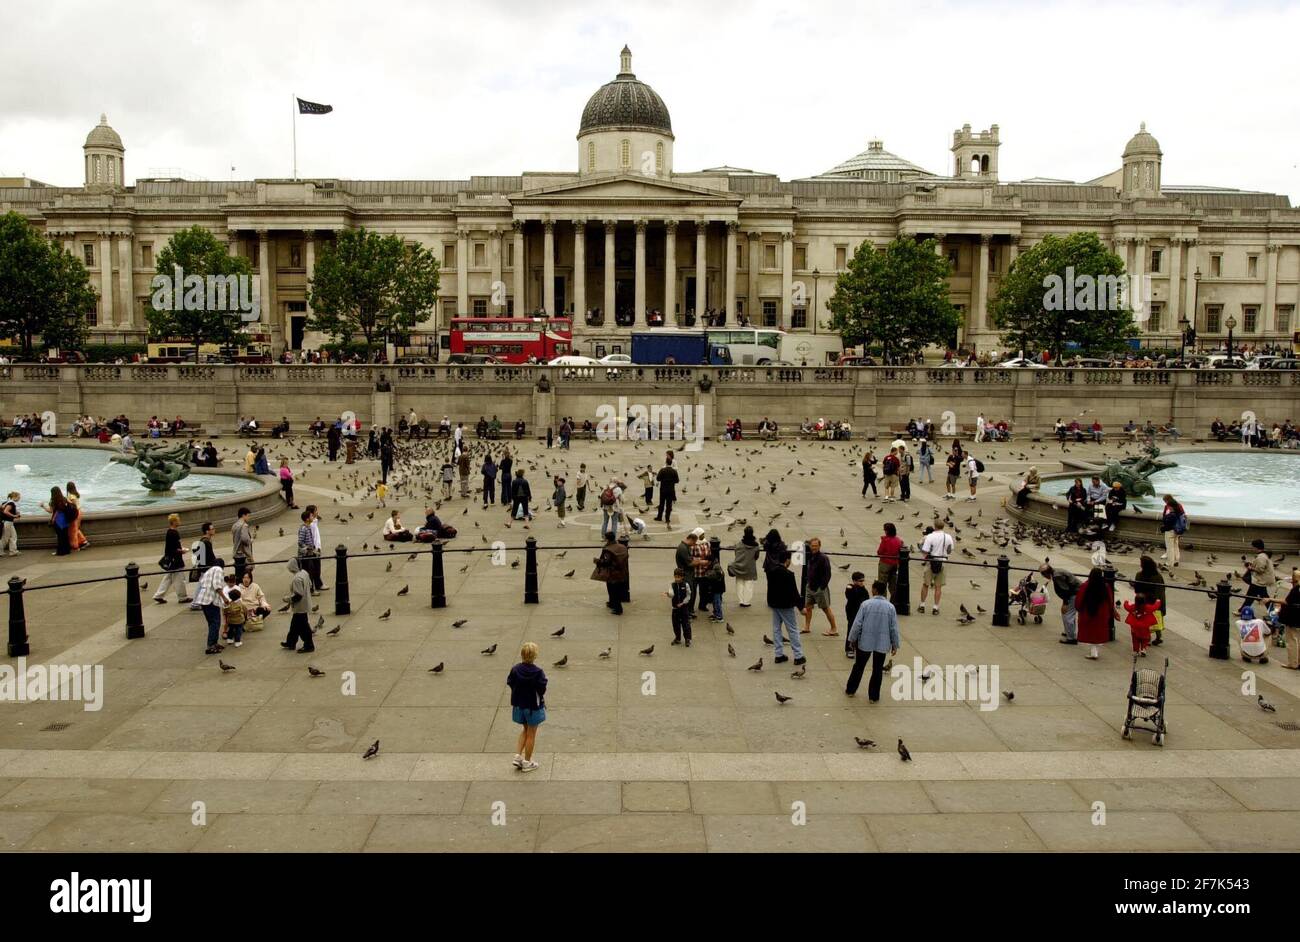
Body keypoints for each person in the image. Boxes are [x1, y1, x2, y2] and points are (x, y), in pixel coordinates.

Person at [845, 579, 900, 701]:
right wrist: (895, 644)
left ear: (874, 590)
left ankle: (851, 689)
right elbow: (894, 628)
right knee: (877, 669)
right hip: (882, 642)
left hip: (865, 641)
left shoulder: (866, 604)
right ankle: (874, 696)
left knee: (859, 666)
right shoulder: (890, 607)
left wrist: (852, 639)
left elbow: (857, 624)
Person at [507, 642, 547, 772]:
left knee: (525, 730)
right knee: (531, 734)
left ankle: (517, 756)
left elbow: (510, 682)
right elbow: (542, 689)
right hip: (532, 707)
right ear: (535, 656)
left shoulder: (515, 669)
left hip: (519, 705)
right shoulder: (538, 672)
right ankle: (527, 762)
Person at [766, 550, 806, 667]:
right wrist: (801, 607)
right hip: (786, 605)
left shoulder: (771, 572)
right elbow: (794, 592)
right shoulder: (789, 574)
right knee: (793, 629)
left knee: (776, 629)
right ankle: (798, 656)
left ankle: (779, 654)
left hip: (774, 604)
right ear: (787, 560)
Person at [1075, 567, 1113, 660]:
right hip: (1102, 612)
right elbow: (1110, 600)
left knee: (1090, 632)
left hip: (1088, 611)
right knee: (1098, 632)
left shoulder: (1086, 585)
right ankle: (1094, 651)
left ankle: (1093, 652)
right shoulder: (1106, 586)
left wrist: (1079, 608)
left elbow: (1079, 599)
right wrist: (1110, 610)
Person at [152, 513, 191, 603]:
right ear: (174, 522)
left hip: (171, 559)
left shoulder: (169, 532)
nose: (179, 521)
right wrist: (183, 551)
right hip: (176, 560)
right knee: (179, 579)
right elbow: (175, 548)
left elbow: (170, 547)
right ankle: (182, 597)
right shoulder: (174, 533)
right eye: (178, 520)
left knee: (168, 578)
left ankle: (158, 595)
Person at [917, 520, 953, 615]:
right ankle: (935, 607)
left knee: (926, 584)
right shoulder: (948, 537)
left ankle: (922, 605)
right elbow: (949, 551)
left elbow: (925, 550)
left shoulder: (930, 536)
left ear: (935, 526)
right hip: (942, 562)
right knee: (938, 587)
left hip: (931, 562)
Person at [194, 557, 228, 654]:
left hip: (203, 600)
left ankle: (214, 642)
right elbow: (217, 586)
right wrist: (225, 598)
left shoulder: (208, 571)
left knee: (211, 622)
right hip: (211, 600)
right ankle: (211, 645)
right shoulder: (218, 569)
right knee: (215, 622)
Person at [280, 557, 315, 653]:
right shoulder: (304, 573)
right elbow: (310, 586)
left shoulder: (297, 579)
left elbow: (298, 595)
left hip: (300, 607)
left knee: (303, 628)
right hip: (306, 604)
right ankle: (290, 642)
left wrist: (288, 599)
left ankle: (309, 645)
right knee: (294, 625)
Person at [591, 532, 628, 616]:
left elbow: (606, 562)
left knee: (613, 591)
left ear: (607, 539)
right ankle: (612, 603)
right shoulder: (622, 547)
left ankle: (618, 609)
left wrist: (597, 561)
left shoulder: (608, 549)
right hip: (622, 572)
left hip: (612, 574)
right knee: (616, 590)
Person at [1135, 555, 1167, 646]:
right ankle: (1158, 637)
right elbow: (1161, 590)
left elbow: (1137, 590)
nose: (1140, 565)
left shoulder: (1139, 575)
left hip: (1145, 601)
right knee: (1157, 619)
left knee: (1146, 620)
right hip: (1157, 601)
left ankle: (1147, 638)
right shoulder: (1158, 576)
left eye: (1141, 563)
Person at [1273, 569, 1300, 670]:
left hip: (1293, 617)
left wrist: (1271, 599)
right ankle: (1299, 662)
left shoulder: (1296, 589)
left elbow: (1286, 601)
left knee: (1292, 640)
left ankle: (1293, 663)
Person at [730, 526, 760, 608]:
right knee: (749, 585)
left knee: (739, 583)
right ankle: (747, 601)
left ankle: (741, 600)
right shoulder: (756, 546)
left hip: (739, 567)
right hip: (750, 568)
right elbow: (756, 557)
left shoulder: (739, 544)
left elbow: (736, 553)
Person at [843, 571, 869, 660]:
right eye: (860, 581)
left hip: (861, 613)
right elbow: (850, 596)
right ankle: (849, 648)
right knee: (851, 629)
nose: (862, 583)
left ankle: (858, 646)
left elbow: (867, 599)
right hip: (852, 612)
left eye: (863, 581)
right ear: (854, 581)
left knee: (860, 630)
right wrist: (855, 588)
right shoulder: (851, 588)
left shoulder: (864, 590)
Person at [1124, 592, 1158, 657]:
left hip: (1135, 627)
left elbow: (1126, 607)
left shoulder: (1133, 607)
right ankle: (1143, 649)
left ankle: (1136, 651)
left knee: (1135, 639)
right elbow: (1155, 607)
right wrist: (1158, 601)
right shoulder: (1147, 607)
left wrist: (1126, 602)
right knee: (1145, 639)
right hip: (1145, 627)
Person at [41, 487, 72, 556]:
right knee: (65, 536)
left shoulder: (53, 501)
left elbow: (50, 511)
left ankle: (60, 552)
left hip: (58, 521)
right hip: (65, 520)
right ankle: (67, 550)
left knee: (60, 537)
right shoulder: (64, 499)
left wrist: (43, 506)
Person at [877, 523, 903, 599]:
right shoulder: (898, 540)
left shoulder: (885, 540)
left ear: (887, 531)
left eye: (885, 530)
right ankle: (894, 600)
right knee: (893, 583)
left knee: (882, 584)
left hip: (885, 563)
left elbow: (880, 552)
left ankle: (883, 599)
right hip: (895, 564)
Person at [666, 567, 692, 645]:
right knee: (675, 624)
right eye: (676, 577)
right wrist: (669, 594)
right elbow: (672, 594)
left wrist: (683, 603)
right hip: (675, 608)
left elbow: (688, 595)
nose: (677, 579)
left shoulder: (686, 585)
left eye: (679, 577)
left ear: (682, 577)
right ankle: (677, 638)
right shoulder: (672, 585)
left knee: (686, 624)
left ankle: (687, 639)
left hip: (684, 608)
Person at [702, 538, 725, 622]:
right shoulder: (715, 564)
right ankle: (716, 614)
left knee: (717, 602)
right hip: (717, 588)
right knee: (715, 602)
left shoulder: (715, 567)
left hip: (717, 588)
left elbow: (716, 576)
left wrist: (707, 574)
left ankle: (719, 616)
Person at [1160, 494, 1186, 566]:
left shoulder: (1172, 514)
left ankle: (1170, 562)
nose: (1167, 505)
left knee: (1170, 547)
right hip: (1177, 530)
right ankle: (1176, 560)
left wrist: (1163, 526)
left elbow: (1167, 523)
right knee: (1175, 545)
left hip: (1170, 531)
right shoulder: (1179, 510)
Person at [231, 506, 254, 582]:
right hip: (244, 555)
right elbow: (244, 539)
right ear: (243, 515)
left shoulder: (234, 525)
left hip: (236, 553)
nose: (248, 518)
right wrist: (250, 540)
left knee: (238, 575)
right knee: (246, 576)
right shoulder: (244, 526)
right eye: (248, 515)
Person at [221, 579, 247, 648]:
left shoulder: (229, 604)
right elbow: (245, 610)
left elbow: (225, 611)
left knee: (231, 630)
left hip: (231, 620)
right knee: (238, 631)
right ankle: (237, 641)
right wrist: (245, 617)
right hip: (239, 620)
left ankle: (229, 639)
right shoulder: (240, 604)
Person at [64, 482, 88, 550]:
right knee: (76, 529)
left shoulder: (71, 496)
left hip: (76, 513)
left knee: (74, 529)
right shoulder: (74, 494)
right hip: (78, 512)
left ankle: (81, 542)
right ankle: (81, 542)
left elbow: (74, 506)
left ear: (68, 488)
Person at [655, 458, 679, 524]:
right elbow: (677, 480)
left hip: (663, 489)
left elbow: (658, 478)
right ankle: (667, 519)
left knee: (661, 504)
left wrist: (664, 480)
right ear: (671, 463)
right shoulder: (674, 471)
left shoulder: (662, 470)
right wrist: (671, 481)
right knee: (669, 505)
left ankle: (659, 517)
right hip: (671, 490)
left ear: (666, 462)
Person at [0, 491, 20, 556]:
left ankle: (13, 551)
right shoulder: (11, 503)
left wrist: (16, 512)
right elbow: (6, 511)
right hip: (8, 522)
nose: (19, 498)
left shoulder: (6, 502)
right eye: (18, 497)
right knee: (5, 538)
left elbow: (3, 510)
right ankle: (1, 551)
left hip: (7, 522)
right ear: (14, 497)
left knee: (13, 536)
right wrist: (14, 516)